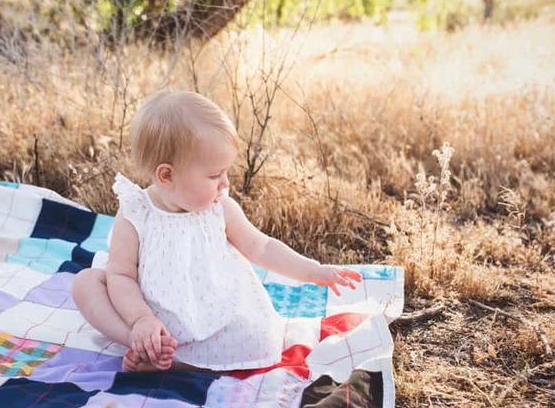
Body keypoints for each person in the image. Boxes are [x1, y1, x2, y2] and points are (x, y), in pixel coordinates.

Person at [71, 90, 362, 373]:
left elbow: (261, 246)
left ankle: (170, 360)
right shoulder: (136, 213)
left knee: (259, 335)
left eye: (225, 172)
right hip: (150, 314)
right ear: (167, 175)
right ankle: (144, 344)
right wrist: (140, 320)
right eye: (214, 175)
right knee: (86, 283)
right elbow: (121, 276)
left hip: (212, 314)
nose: (225, 183)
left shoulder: (220, 208)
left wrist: (314, 271)